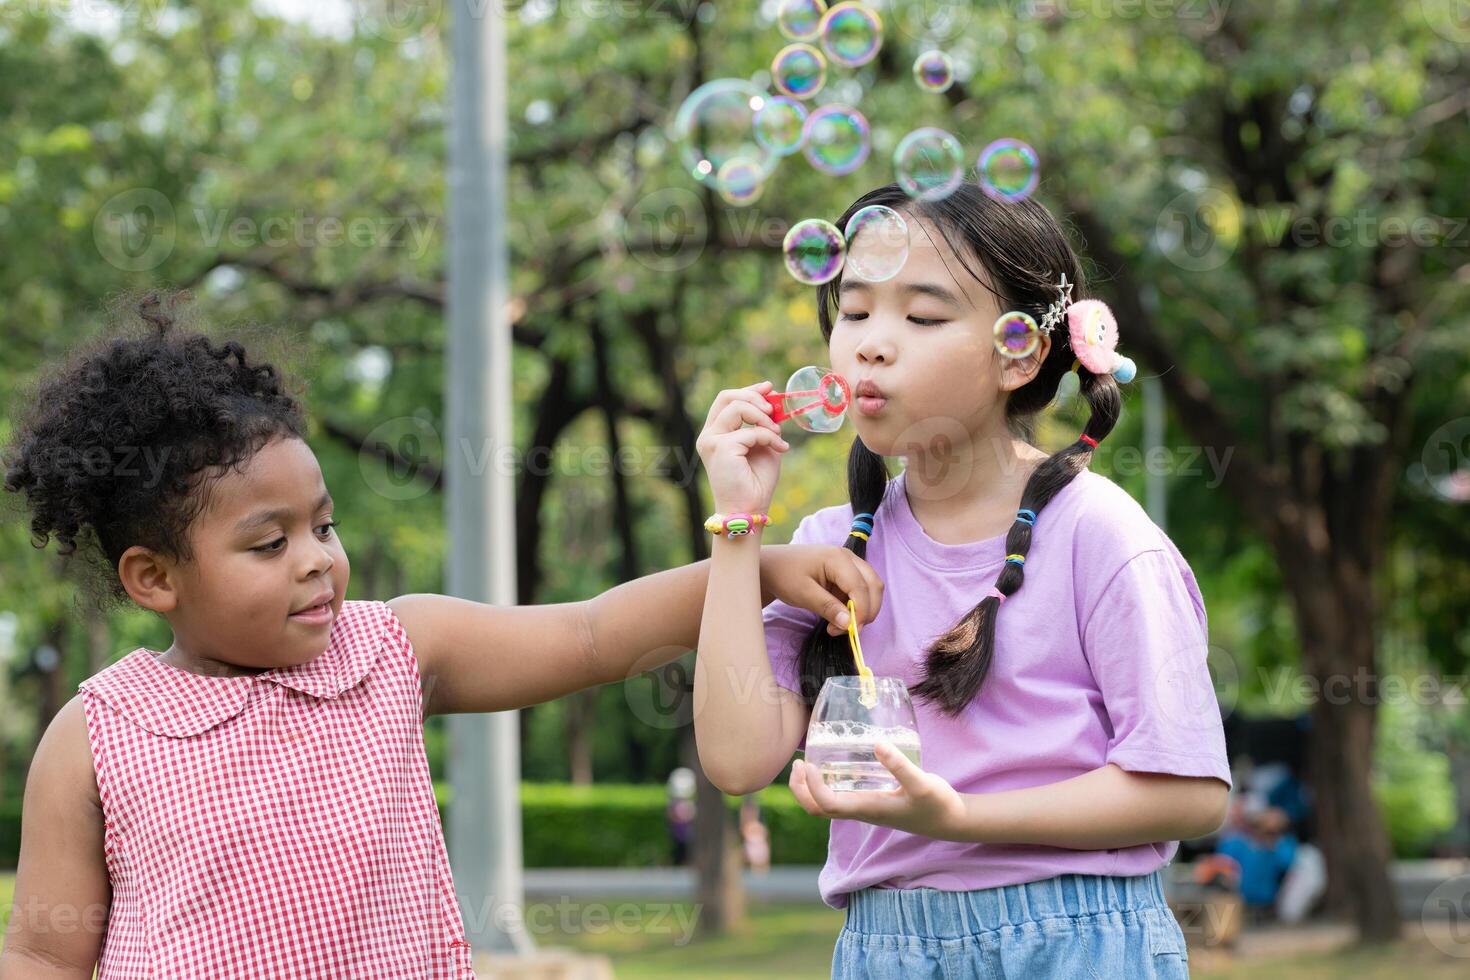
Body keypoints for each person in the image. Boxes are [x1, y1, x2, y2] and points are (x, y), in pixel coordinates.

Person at [0, 294, 881, 978]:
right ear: (154, 577)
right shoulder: (96, 736)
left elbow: (590, 632)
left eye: (325, 526)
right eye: (269, 544)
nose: (315, 561)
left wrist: (753, 566)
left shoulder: (390, 652)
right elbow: (43, 955)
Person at [692, 183, 1232, 978]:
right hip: (886, 949)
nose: (872, 344)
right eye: (855, 310)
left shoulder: (1100, 537)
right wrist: (739, 527)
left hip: (1075, 940)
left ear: (1020, 352)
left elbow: (1190, 793)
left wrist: (957, 816)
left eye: (922, 317)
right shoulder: (826, 546)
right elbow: (738, 762)